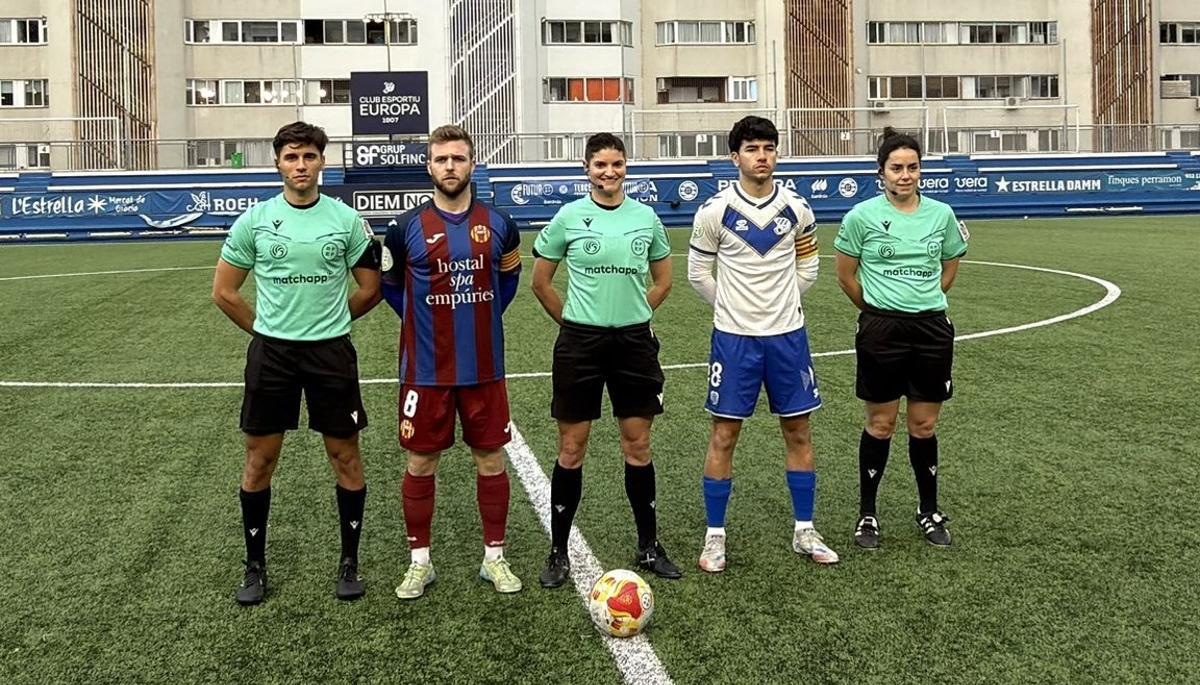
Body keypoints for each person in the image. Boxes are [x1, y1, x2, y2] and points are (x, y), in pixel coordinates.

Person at [211, 121, 382, 605]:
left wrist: (326, 322)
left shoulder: (348, 220)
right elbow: (224, 292)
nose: (300, 165)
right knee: (260, 459)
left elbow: (369, 290)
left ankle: (349, 561)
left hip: (331, 354)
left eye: (308, 156)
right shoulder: (255, 220)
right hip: (273, 357)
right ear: (278, 163)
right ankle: (254, 564)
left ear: (321, 161)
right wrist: (268, 330)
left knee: (345, 456)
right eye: (291, 157)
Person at [687, 116, 838, 573]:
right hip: (735, 341)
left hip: (788, 337)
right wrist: (730, 310)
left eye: (769, 148)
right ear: (736, 157)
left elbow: (809, 266)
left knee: (798, 430)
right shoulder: (713, 211)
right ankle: (715, 537)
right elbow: (698, 274)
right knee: (724, 433)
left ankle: (804, 529)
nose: (762, 156)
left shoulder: (797, 208)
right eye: (753, 149)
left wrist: (783, 305)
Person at [530, 132, 681, 588]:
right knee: (571, 448)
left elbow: (663, 280)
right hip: (580, 344)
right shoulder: (569, 217)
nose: (609, 172)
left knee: (637, 445)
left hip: (634, 344)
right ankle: (558, 551)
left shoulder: (646, 218)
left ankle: (648, 545)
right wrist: (575, 322)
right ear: (586, 169)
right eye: (600, 165)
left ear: (625, 168)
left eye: (616, 164)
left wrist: (633, 315)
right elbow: (541, 282)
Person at [381, 125, 524, 599]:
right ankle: (420, 562)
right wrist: (424, 322)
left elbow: (506, 282)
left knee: (490, 459)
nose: (450, 167)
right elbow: (391, 288)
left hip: (484, 368)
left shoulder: (499, 223)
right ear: (429, 166)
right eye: (441, 159)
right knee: (421, 463)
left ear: (471, 163)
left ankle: (494, 558)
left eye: (458, 159)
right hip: (425, 372)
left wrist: (475, 315)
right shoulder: (404, 229)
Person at [833, 126, 968, 549]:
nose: (904, 175)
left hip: (930, 329)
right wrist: (878, 308)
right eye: (896, 168)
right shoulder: (861, 217)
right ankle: (867, 514)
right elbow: (846, 275)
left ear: (920, 171)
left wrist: (924, 299)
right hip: (881, 329)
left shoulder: (941, 215)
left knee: (924, 425)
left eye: (912, 167)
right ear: (881, 171)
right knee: (881, 423)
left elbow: (949, 265)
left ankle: (928, 510)